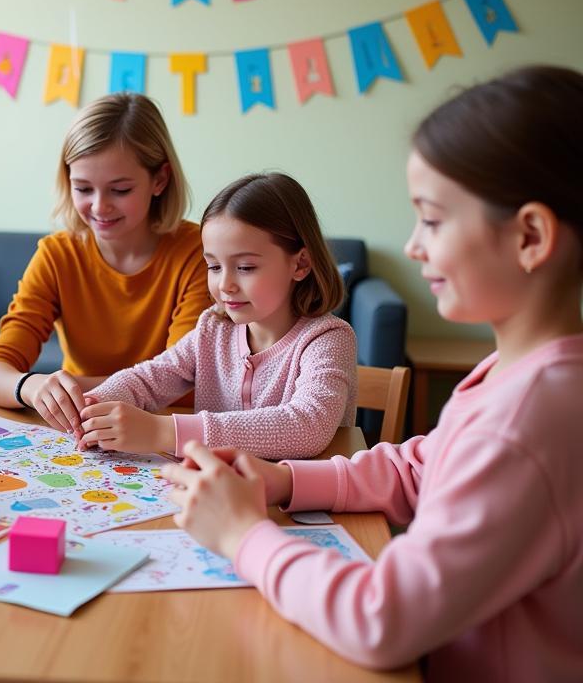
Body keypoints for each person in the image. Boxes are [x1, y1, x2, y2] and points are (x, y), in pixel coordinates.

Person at [161, 65, 583, 682]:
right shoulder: (521, 375)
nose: (413, 246)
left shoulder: (526, 420)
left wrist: (244, 535)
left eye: (433, 220)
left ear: (530, 237)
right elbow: (419, 468)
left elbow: (381, 621)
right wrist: (284, 481)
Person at [0, 92, 210, 435]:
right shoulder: (56, 255)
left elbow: (185, 383)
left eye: (120, 190)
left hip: (164, 431)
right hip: (80, 428)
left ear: (159, 180)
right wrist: (34, 387)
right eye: (83, 188)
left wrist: (70, 387)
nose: (100, 207)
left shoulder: (199, 252)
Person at [80, 173, 356, 458]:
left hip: (292, 500)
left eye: (246, 267)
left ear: (301, 263)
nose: (225, 285)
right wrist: (96, 404)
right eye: (213, 267)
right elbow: (148, 379)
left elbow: (307, 426)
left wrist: (162, 432)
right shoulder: (213, 328)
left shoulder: (328, 340)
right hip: (213, 494)